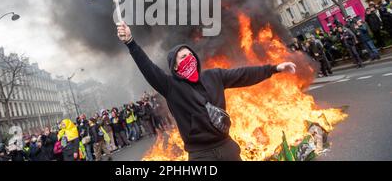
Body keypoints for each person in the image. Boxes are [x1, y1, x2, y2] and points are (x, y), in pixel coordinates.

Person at [116, 21, 296, 161]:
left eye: (189, 55)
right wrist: (131, 43)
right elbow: (148, 68)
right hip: (200, 154)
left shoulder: (214, 76)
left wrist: (273, 69)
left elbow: (243, 74)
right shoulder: (171, 87)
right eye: (182, 57)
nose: (188, 58)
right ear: (175, 66)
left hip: (227, 146)